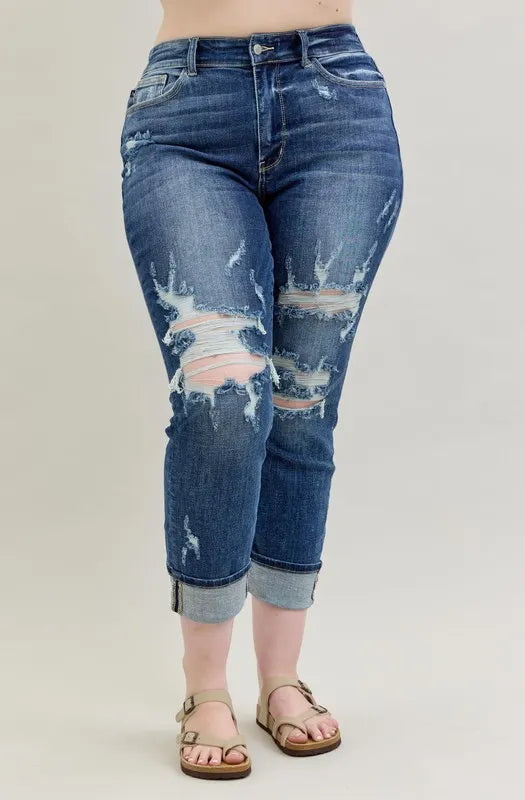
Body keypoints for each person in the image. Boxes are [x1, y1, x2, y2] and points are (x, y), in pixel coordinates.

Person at [120, 0, 403, 780]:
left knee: (301, 404)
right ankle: (204, 687)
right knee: (222, 396)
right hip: (185, 110)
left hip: (337, 104)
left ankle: (281, 679)